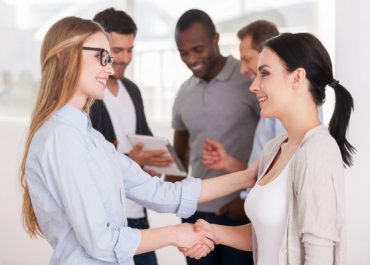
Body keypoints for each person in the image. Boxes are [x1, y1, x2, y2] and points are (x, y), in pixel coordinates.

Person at [20, 16, 257, 265]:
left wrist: (249, 176)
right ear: (64, 56)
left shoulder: (90, 138)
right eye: (101, 57)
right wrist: (176, 234)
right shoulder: (61, 137)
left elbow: (162, 194)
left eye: (109, 59)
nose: (110, 69)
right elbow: (101, 242)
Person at [184, 32, 355, 265]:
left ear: (297, 78)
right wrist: (213, 232)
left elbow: (319, 256)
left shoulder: (318, 153)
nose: (253, 86)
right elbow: (265, 234)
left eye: (264, 73)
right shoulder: (274, 149)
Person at [170, 9, 259, 265]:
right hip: (196, 215)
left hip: (239, 211)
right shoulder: (184, 92)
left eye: (197, 49)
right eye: (183, 52)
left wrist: (247, 200)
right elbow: (179, 157)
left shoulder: (248, 81)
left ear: (216, 39)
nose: (190, 59)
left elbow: (273, 143)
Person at [90, 8, 169, 265]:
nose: (125, 58)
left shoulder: (132, 90)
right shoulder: (89, 96)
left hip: (137, 212)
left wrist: (151, 162)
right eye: (117, 50)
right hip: (106, 219)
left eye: (130, 49)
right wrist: (129, 159)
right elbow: (87, 159)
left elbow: (142, 139)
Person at [203, 20, 280, 174]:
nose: (242, 70)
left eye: (247, 59)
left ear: (269, 55)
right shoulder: (269, 103)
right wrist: (228, 163)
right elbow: (262, 172)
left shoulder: (283, 105)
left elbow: (279, 174)